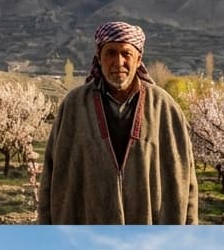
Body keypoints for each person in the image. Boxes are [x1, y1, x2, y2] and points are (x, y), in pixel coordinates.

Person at [37, 21, 198, 224]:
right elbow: (51, 176)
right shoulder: (74, 106)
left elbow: (186, 179)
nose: (118, 62)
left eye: (126, 54)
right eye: (110, 53)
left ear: (139, 59)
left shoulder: (164, 108)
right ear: (99, 58)